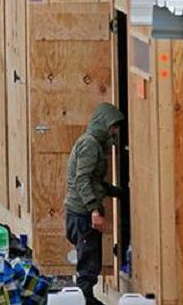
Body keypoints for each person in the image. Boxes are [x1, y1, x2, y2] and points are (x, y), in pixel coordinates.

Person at [64, 103, 125, 305]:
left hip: (80, 212)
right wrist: (94, 210)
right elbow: (83, 180)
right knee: (88, 262)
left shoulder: (92, 143)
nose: (114, 132)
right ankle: (85, 300)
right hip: (82, 213)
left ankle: (86, 298)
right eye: (112, 127)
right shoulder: (90, 144)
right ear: (103, 125)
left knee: (89, 258)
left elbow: (94, 181)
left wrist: (115, 191)